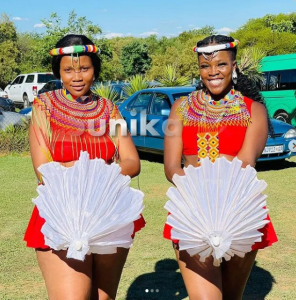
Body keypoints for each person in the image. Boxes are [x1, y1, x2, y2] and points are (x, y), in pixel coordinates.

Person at [24, 34, 145, 300]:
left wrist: (95, 178)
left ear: (95, 70)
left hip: (108, 212)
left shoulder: (109, 111)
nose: (76, 77)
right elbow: (44, 169)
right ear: (58, 72)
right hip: (62, 211)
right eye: (68, 70)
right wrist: (94, 175)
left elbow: (131, 161)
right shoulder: (44, 108)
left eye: (84, 69)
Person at [163, 35, 278, 300]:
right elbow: (171, 166)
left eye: (221, 64)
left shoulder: (254, 110)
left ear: (234, 65)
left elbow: (246, 162)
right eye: (205, 66)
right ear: (199, 69)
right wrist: (197, 200)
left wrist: (217, 201)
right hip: (192, 210)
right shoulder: (179, 108)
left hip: (238, 210)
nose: (213, 72)